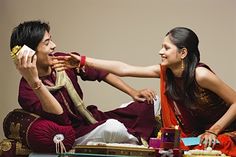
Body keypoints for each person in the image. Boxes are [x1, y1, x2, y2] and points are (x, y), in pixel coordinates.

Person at [55, 27, 236, 155]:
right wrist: (83, 61)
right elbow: (124, 69)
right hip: (196, 135)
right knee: (170, 148)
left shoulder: (201, 75)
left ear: (183, 53)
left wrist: (214, 131)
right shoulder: (166, 72)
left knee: (213, 149)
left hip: (225, 130)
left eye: (166, 48)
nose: (160, 51)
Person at [10, 20, 160, 152]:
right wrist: (35, 81)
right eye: (47, 43)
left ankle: (123, 135)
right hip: (75, 134)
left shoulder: (62, 60)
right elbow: (60, 117)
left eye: (51, 40)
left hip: (90, 119)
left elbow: (101, 73)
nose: (54, 46)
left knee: (153, 101)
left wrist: (133, 92)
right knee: (113, 128)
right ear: (29, 53)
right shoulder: (27, 90)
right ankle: (136, 142)